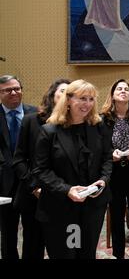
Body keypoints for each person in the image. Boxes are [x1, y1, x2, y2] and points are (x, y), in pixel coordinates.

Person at [32, 79, 112, 259]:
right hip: (61, 207)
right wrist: (67, 190)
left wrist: (103, 180)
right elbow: (41, 170)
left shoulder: (98, 127)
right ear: (68, 100)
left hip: (93, 205)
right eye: (82, 98)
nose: (88, 104)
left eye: (91, 99)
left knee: (86, 253)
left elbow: (107, 158)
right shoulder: (49, 131)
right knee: (66, 253)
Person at [12, 79, 71, 259]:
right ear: (53, 95)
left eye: (71, 93)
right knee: (33, 246)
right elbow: (19, 159)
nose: (66, 96)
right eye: (62, 91)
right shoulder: (32, 120)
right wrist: (34, 187)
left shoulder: (75, 123)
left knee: (66, 246)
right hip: (34, 195)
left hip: (65, 195)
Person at [100, 79, 129, 259]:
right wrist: (112, 154)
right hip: (114, 173)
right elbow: (99, 147)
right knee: (116, 214)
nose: (123, 91)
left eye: (126, 89)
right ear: (112, 94)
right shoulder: (103, 119)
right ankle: (118, 253)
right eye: (119, 89)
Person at [0, 75, 37, 259]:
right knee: (7, 232)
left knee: (33, 230)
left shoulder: (36, 114)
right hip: (4, 183)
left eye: (17, 88)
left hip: (30, 181)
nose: (14, 92)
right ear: (0, 93)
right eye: (8, 90)